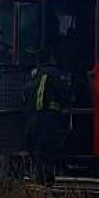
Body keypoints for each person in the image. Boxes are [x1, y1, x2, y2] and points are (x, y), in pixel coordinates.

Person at [26, 55, 72, 184]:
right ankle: (47, 177)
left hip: (32, 118)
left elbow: (26, 93)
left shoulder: (35, 75)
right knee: (47, 148)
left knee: (35, 147)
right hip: (49, 117)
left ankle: (38, 177)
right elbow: (65, 91)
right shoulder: (55, 74)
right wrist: (66, 104)